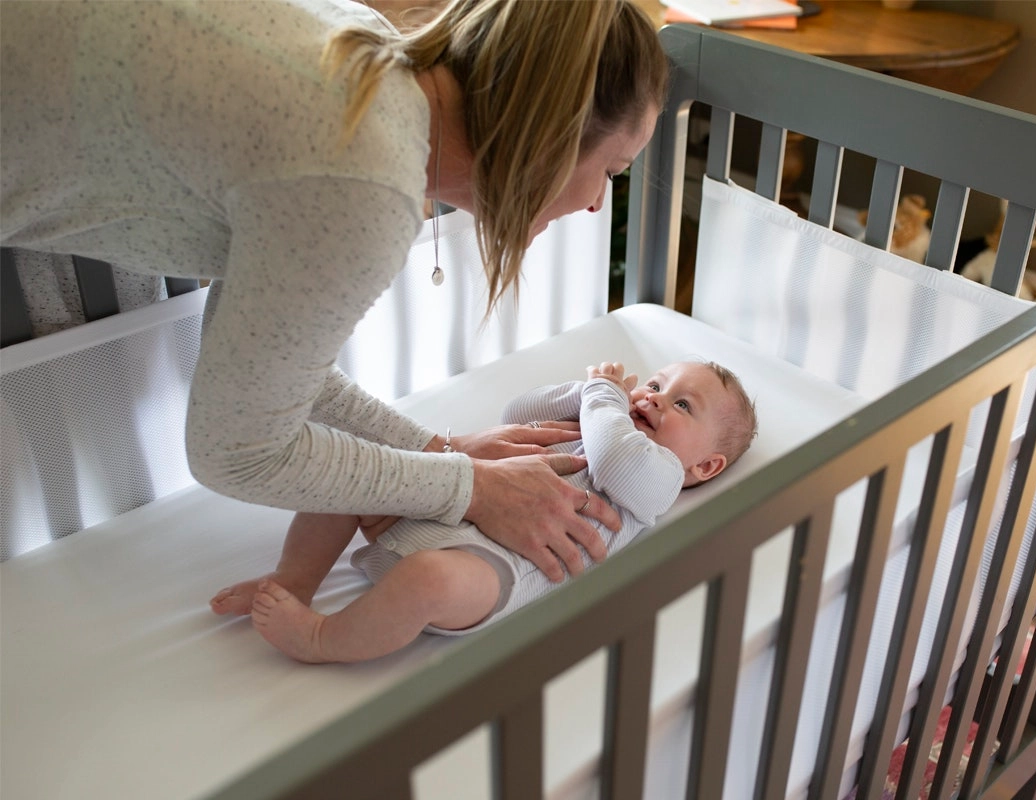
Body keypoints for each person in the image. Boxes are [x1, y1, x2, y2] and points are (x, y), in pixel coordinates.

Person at [0, 0, 669, 581]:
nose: (594, 207)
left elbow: (270, 371)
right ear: (549, 139)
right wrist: (470, 491)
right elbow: (236, 451)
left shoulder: (367, 59)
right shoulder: (362, 180)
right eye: (613, 168)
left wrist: (437, 451)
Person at [211, 359, 758, 663]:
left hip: (484, 571)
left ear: (704, 468)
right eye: (659, 384)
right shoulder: (594, 422)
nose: (655, 397)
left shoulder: (655, 478)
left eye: (682, 405)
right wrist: (588, 389)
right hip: (436, 509)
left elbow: (617, 456)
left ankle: (320, 639)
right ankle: (296, 577)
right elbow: (517, 412)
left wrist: (605, 399)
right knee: (352, 478)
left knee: (429, 577)